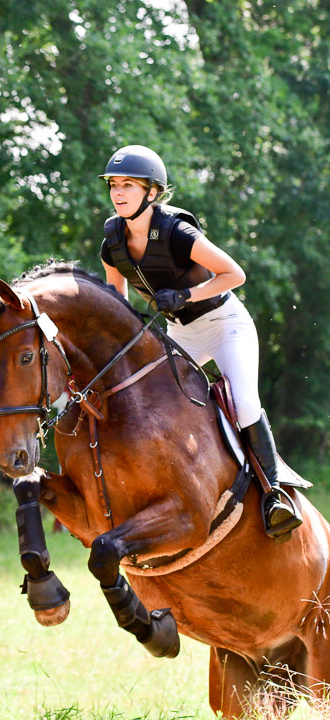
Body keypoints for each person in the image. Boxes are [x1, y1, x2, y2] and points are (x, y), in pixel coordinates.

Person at [99, 144, 302, 542]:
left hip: (225, 325)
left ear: (152, 192)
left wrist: (186, 296)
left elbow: (235, 274)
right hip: (180, 333)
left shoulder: (177, 231)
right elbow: (116, 299)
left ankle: (275, 496)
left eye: (129, 185)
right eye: (114, 186)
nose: (118, 193)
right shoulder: (112, 243)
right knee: (155, 405)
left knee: (243, 402)